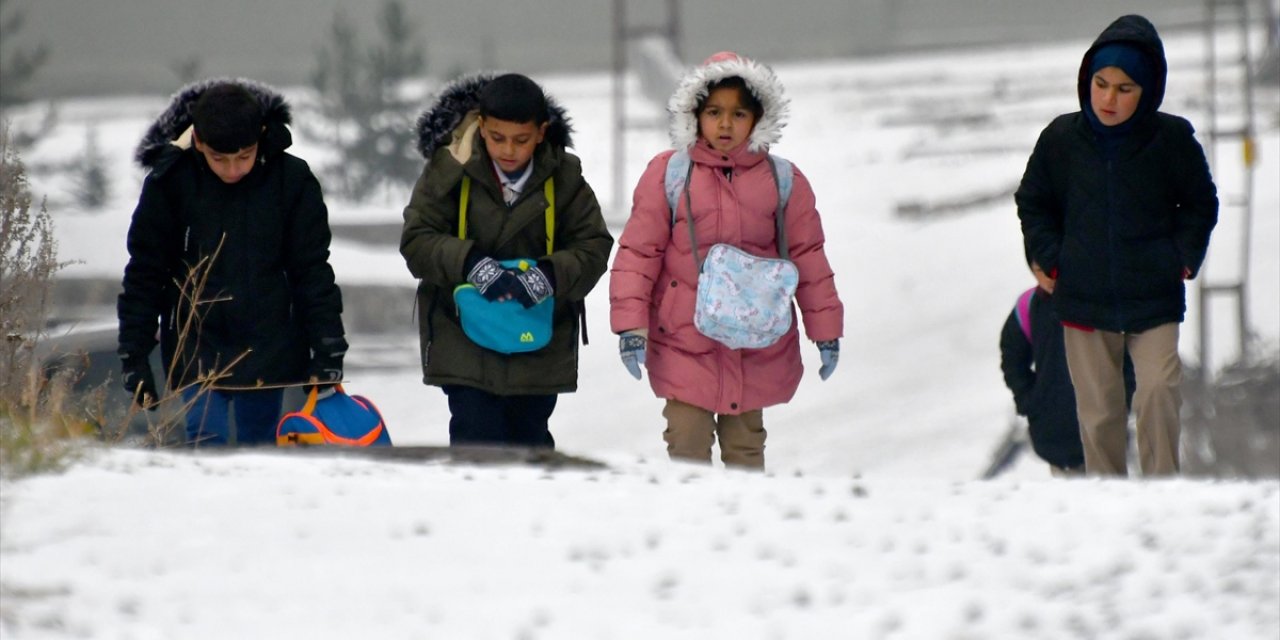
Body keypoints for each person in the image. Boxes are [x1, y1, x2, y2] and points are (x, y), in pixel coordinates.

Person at [609, 51, 844, 470]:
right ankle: (690, 529)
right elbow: (639, 253)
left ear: (758, 118)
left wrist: (824, 329)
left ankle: (742, 530)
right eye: (714, 112)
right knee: (686, 447)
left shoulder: (782, 180)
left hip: (755, 342)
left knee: (746, 451)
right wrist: (631, 326)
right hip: (684, 339)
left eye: (738, 114)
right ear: (694, 115)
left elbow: (809, 258)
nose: (725, 124)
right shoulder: (670, 175)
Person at [1015, 15, 1218, 476]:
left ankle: (1163, 494)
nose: (1108, 98)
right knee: (1099, 413)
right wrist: (1047, 256)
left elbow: (1200, 204)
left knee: (1159, 391)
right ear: (1087, 80)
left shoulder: (1173, 140)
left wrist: (1184, 257)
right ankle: (1109, 506)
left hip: (1154, 296)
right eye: (1101, 83)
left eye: (1125, 88)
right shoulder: (1060, 140)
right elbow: (1034, 201)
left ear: (1148, 91)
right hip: (1082, 298)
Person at [118, 79, 348, 446]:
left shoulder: (292, 180)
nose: (232, 170)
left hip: (269, 344)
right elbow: (146, 272)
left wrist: (328, 346)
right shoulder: (169, 183)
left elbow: (311, 270)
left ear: (261, 136)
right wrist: (134, 353)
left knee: (258, 448)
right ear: (198, 143)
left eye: (244, 156)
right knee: (205, 439)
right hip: (195, 343)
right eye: (219, 159)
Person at [400, 73, 613, 448]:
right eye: (497, 138)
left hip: (536, 338)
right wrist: (471, 264)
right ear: (481, 126)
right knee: (474, 436)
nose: (508, 150)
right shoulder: (450, 169)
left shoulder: (564, 177)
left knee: (530, 442)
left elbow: (593, 244)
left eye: (521, 140)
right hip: (462, 333)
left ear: (542, 132)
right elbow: (417, 239)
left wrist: (547, 275)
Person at [999, 264, 1136, 477]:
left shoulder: (1104, 298)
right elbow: (1012, 358)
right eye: (1038, 268)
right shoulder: (1029, 306)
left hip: (1103, 436)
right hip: (1056, 437)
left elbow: (1129, 357)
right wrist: (1031, 402)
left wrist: (1121, 401)